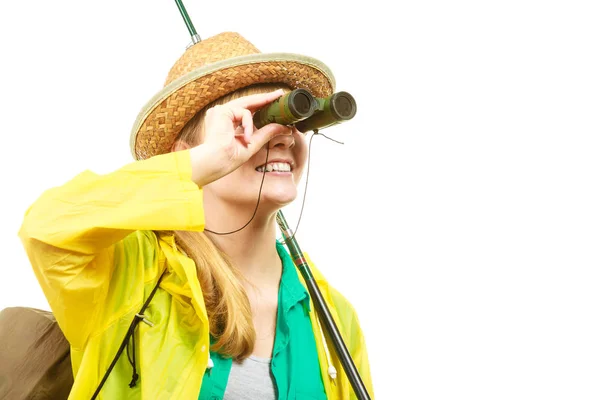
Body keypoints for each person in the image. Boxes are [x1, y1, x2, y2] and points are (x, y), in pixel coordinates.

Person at [19, 31, 373, 399]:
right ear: (185, 153)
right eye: (254, 121)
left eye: (293, 120)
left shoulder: (332, 317)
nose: (282, 137)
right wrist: (201, 164)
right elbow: (46, 228)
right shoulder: (131, 272)